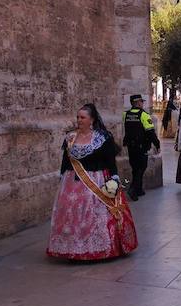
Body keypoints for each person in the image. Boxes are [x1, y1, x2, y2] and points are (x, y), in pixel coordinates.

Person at [48, 103, 137, 260]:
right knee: (73, 215)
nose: (79, 120)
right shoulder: (70, 137)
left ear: (92, 120)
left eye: (83, 117)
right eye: (78, 117)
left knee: (94, 215)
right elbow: (66, 160)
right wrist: (62, 176)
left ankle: (97, 248)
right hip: (72, 182)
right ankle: (72, 248)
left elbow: (110, 161)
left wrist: (114, 178)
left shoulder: (102, 138)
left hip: (96, 180)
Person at [121, 94, 160, 200]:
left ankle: (139, 189)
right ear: (137, 103)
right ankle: (133, 189)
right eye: (141, 102)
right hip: (142, 146)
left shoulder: (126, 114)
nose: (143, 103)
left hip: (130, 146)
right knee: (141, 168)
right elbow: (150, 132)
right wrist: (157, 144)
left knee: (135, 168)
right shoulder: (144, 115)